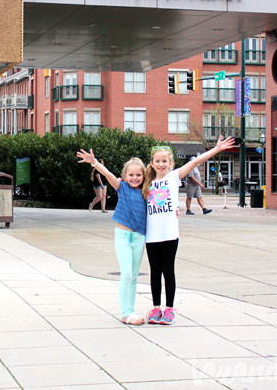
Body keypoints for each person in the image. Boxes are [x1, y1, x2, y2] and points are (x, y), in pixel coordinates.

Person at [143, 136, 235, 325]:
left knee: (168, 271)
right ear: (152, 164)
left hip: (169, 234)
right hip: (151, 235)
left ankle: (169, 309)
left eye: (164, 161)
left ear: (170, 163)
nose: (161, 164)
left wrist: (217, 149)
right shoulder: (146, 182)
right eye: (158, 161)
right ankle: (155, 308)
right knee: (154, 272)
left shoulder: (174, 176)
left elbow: (196, 161)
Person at [77, 149, 147, 326]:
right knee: (127, 273)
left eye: (138, 174)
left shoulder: (147, 192)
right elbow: (107, 173)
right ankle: (125, 313)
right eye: (131, 174)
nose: (134, 177)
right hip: (123, 236)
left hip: (139, 236)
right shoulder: (121, 187)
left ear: (144, 176)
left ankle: (130, 311)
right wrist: (94, 162)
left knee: (133, 276)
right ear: (125, 175)